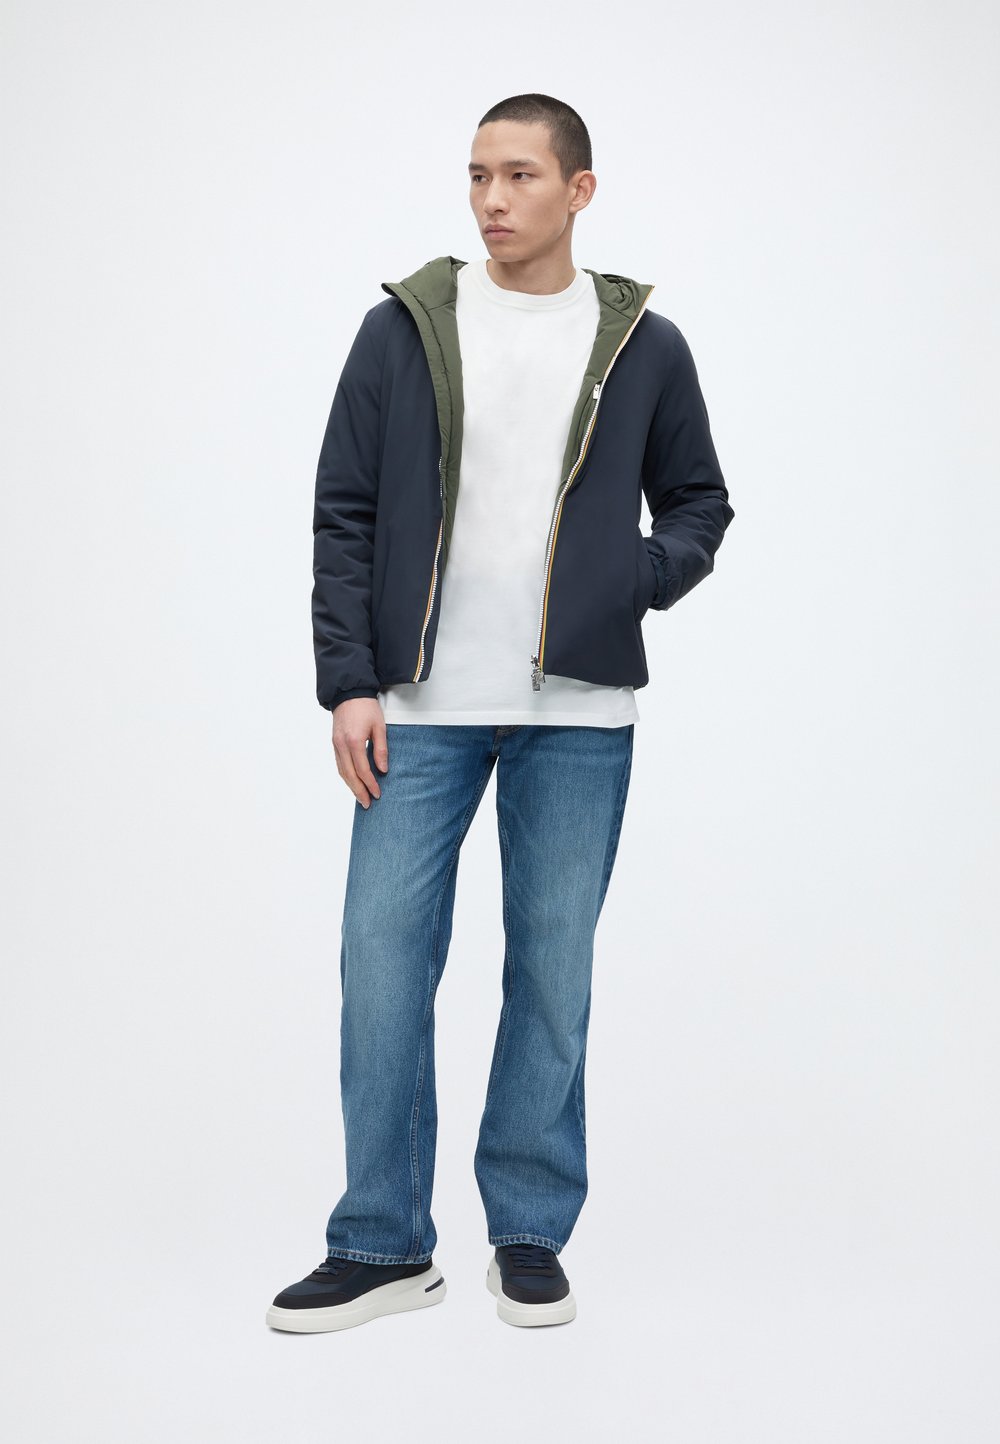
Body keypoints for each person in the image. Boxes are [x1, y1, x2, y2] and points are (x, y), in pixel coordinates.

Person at [266, 92, 734, 1334]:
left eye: (520, 174)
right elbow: (343, 512)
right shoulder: (404, 329)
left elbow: (699, 502)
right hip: (415, 708)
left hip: (577, 717)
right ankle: (381, 1243)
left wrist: (630, 578)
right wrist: (348, 680)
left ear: (579, 190)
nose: (490, 198)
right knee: (381, 967)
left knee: (550, 975)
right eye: (477, 174)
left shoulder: (644, 346)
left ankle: (527, 1231)